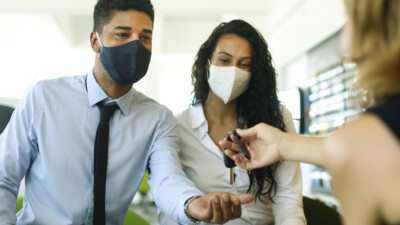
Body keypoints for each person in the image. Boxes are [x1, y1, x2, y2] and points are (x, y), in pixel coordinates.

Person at [0, 0, 255, 224]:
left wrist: (192, 204)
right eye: (122, 34)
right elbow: (4, 178)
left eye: (145, 37)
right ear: (95, 42)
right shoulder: (44, 98)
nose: (136, 45)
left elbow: (167, 179)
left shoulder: (157, 118)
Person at [220, 0, 400, 225]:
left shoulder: (360, 141)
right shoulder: (358, 143)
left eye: (350, 18)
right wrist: (283, 145)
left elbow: (354, 151)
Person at [159, 19, 306, 225]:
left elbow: (288, 198)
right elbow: (169, 193)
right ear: (207, 63)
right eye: (224, 60)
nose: (233, 71)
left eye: (244, 64)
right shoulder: (178, 127)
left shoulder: (276, 117)